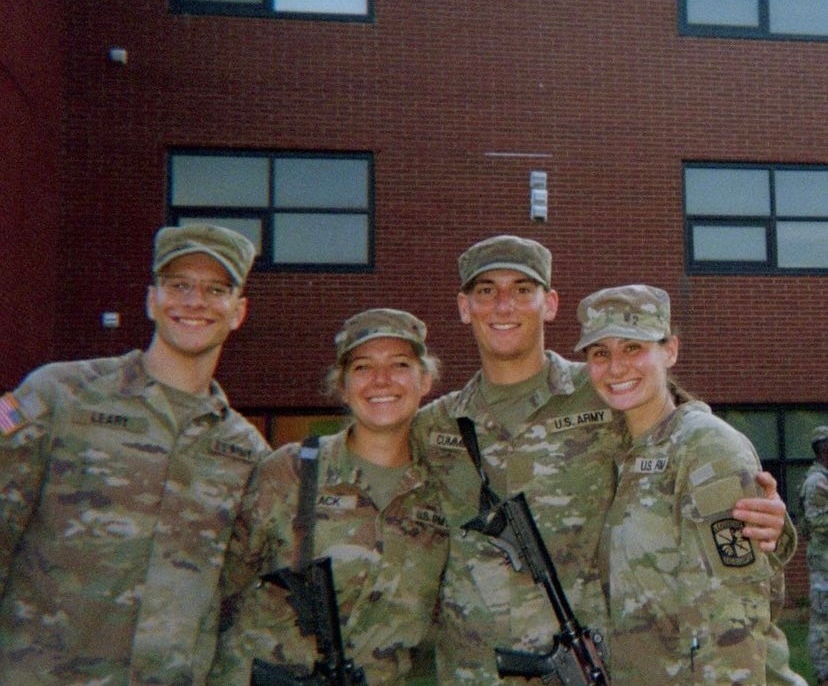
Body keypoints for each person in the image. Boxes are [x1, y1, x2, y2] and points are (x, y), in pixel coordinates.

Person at [411, 234, 794, 685]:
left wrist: (769, 527)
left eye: (522, 290)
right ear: (463, 306)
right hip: (473, 672)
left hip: (588, 669)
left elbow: (687, 451)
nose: (503, 306)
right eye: (486, 291)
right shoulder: (433, 426)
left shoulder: (604, 397)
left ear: (549, 303)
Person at [0, 224, 271, 684]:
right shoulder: (58, 395)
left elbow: (238, 598)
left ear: (238, 311)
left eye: (215, 289)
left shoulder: (247, 452)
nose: (194, 301)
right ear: (151, 299)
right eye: (179, 285)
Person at [575, 283, 805, 684]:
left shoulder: (705, 447)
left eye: (633, 348)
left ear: (670, 351)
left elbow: (732, 623)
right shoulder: (614, 451)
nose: (616, 367)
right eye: (600, 353)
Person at [208, 308, 449, 685]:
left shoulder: (442, 492)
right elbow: (218, 590)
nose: (381, 380)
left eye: (400, 364)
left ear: (425, 380)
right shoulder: (291, 472)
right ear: (342, 386)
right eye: (363, 367)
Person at [800, 425, 828, 686]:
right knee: (823, 622)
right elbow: (817, 521)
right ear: (823, 449)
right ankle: (823, 674)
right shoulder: (816, 483)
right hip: (823, 564)